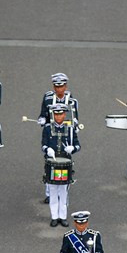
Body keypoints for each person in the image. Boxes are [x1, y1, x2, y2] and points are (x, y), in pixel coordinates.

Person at [37, 73, 79, 204]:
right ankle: (49, 193)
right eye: (56, 86)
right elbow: (43, 113)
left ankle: (64, 191)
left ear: (65, 86)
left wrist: (75, 126)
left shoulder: (72, 101)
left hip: (66, 133)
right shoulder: (48, 98)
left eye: (61, 87)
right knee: (49, 162)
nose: (59, 89)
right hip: (51, 133)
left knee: (66, 162)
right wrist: (42, 120)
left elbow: (75, 117)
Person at [41, 103, 81, 227]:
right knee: (53, 190)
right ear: (54, 115)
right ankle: (54, 216)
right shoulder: (47, 128)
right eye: (56, 114)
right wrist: (47, 149)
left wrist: (72, 148)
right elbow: (43, 144)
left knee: (63, 191)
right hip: (52, 163)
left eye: (61, 114)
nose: (59, 117)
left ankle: (62, 216)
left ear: (64, 114)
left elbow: (78, 145)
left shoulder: (70, 129)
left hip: (65, 163)